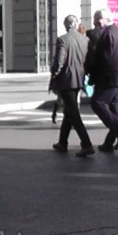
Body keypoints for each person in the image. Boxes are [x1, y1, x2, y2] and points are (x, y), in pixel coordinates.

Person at [85, 8, 118, 152]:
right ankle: (109, 143)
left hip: (109, 78)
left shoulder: (105, 35)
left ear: (101, 20)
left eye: (95, 20)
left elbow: (103, 59)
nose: (94, 23)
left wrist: (93, 76)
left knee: (97, 103)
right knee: (114, 108)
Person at [50, 15, 94, 157]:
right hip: (79, 79)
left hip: (66, 81)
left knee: (74, 114)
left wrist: (54, 74)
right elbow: (89, 60)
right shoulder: (85, 39)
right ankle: (62, 142)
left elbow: (59, 62)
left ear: (66, 25)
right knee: (69, 111)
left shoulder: (62, 39)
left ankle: (86, 144)